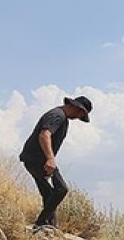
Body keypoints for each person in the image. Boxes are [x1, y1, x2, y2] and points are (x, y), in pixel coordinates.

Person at [18, 95, 93, 231]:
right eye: (80, 114)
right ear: (76, 107)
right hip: (37, 159)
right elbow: (44, 135)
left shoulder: (61, 117)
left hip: (34, 158)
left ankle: (50, 225)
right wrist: (50, 159)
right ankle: (41, 223)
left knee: (49, 193)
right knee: (61, 189)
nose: (78, 117)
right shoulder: (58, 115)